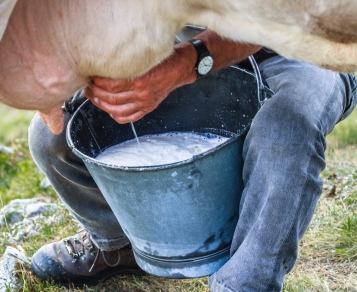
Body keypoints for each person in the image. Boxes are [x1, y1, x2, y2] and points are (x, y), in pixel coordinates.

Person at [27, 29, 357, 291]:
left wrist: (185, 64)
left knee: (285, 130)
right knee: (54, 135)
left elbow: (285, 14)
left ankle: (242, 284)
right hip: (182, 41)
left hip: (307, 48)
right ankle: (122, 242)